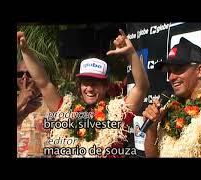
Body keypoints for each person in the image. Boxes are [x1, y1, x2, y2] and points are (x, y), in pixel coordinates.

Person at [17, 29, 149, 157]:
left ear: (105, 86)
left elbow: (141, 88)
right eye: (85, 82)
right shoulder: (65, 109)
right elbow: (44, 83)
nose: (89, 88)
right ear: (79, 86)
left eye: (95, 83)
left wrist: (131, 53)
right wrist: (25, 51)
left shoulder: (118, 112)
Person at [17, 60, 49, 157]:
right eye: (19, 74)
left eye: (30, 74)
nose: (24, 78)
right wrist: (19, 103)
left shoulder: (52, 103)